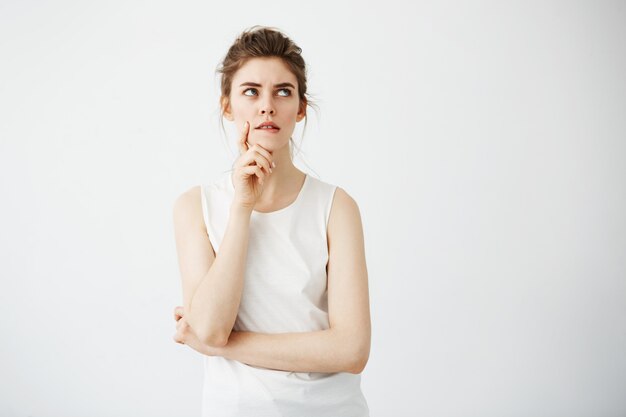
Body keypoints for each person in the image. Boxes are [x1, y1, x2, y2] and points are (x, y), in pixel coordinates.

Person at [171, 25, 371, 416]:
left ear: (300, 107)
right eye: (251, 91)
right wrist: (242, 207)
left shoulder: (337, 207)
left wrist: (221, 345)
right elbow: (210, 326)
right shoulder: (195, 206)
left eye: (283, 91)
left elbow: (352, 350)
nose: (267, 105)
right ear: (227, 105)